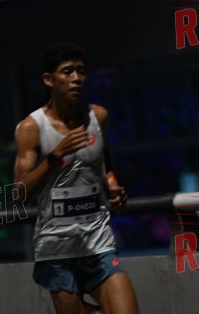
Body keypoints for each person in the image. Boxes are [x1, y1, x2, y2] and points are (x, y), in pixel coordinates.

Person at [13, 42, 139, 314]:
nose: (76, 78)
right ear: (49, 79)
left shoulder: (98, 116)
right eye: (67, 71)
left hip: (98, 244)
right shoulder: (31, 128)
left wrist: (114, 185)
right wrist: (55, 156)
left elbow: (105, 163)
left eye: (81, 71)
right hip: (56, 250)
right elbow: (19, 194)